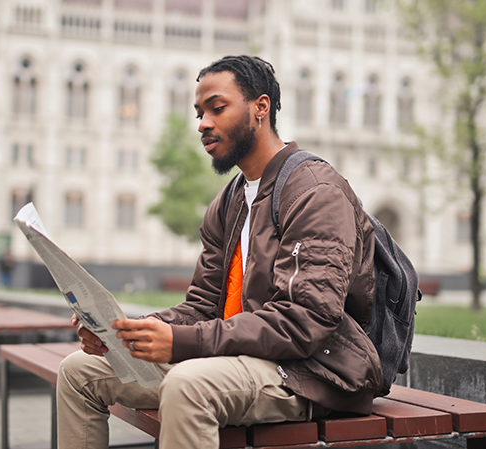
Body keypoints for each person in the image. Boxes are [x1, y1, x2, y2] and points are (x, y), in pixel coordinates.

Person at [57, 55, 383, 449]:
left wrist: (181, 342)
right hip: (237, 358)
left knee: (187, 385)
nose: (203, 124)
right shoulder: (229, 202)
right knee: (80, 370)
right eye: (199, 112)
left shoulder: (315, 192)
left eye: (217, 108)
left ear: (260, 108)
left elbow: (305, 322)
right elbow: (203, 305)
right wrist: (127, 333)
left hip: (311, 371)